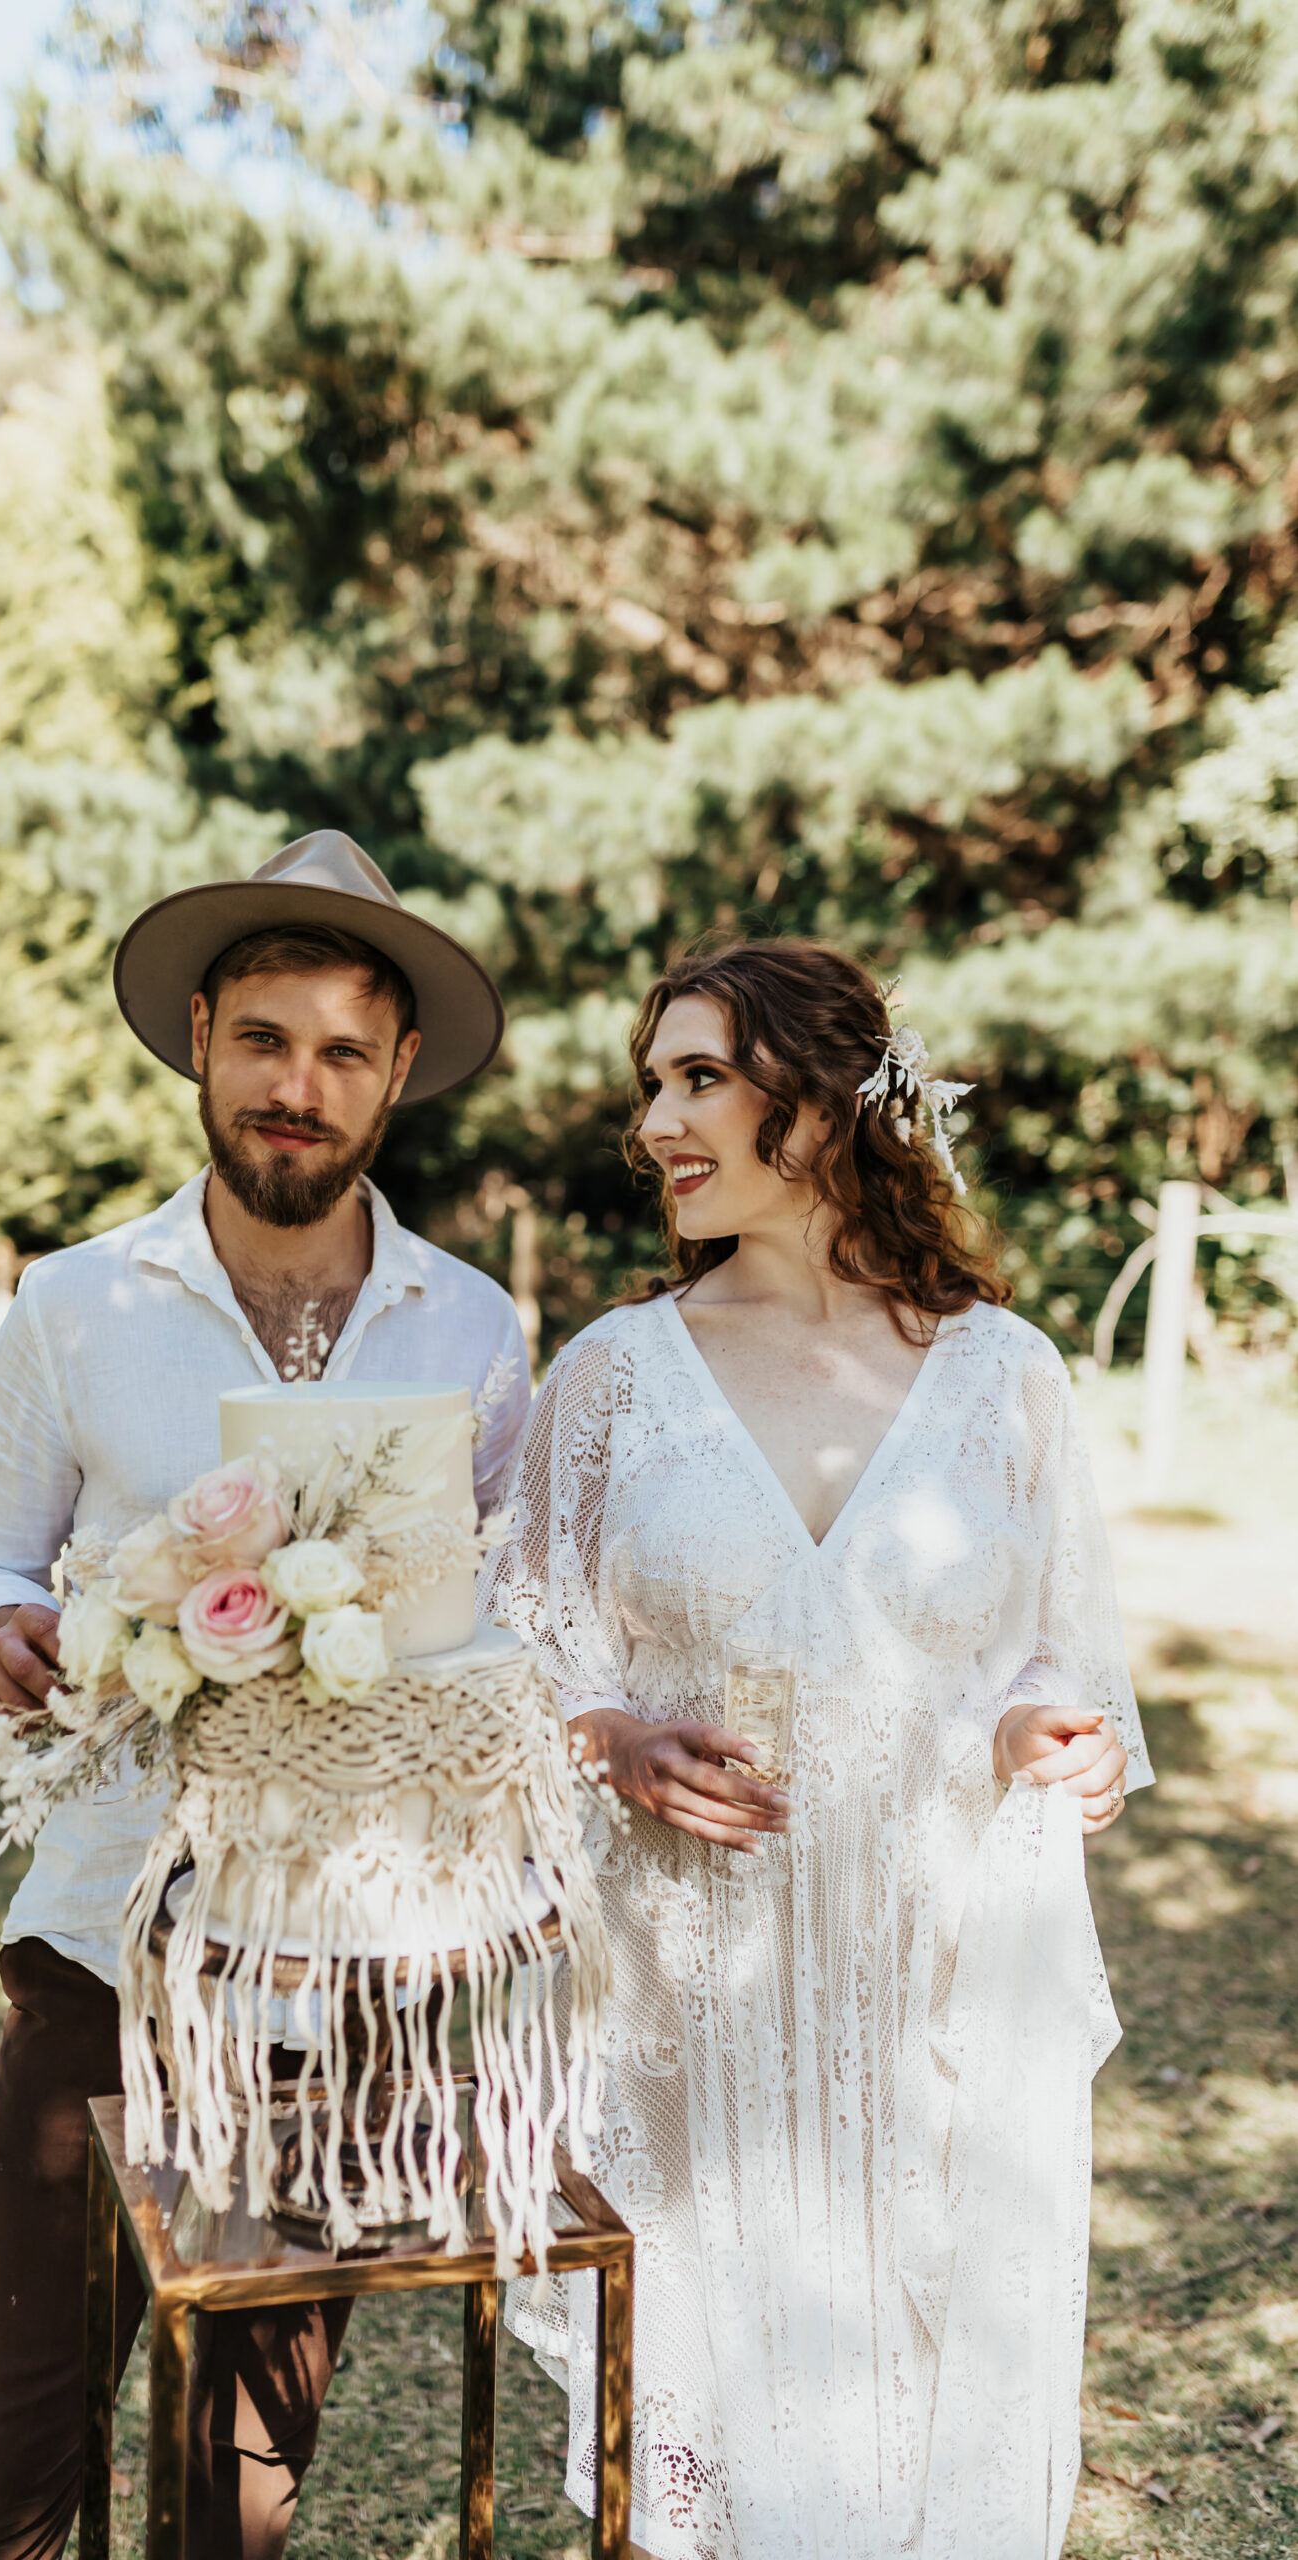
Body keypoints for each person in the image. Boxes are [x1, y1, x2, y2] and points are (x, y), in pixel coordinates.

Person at [0, 831, 531, 2560]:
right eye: (264, 1039)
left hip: (347, 1979)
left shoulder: (473, 1331)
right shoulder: (79, 1305)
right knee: (8, 2472)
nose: (297, 1089)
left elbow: (503, 1628)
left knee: (236, 2504)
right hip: (106, 1942)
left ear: (400, 1071)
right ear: (200, 1034)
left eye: (343, 1051)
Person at [489, 939, 1150, 2560]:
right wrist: (606, 1732)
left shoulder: (1007, 1382)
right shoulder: (611, 1380)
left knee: (927, 2424)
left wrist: (1056, 1739)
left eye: (701, 1076)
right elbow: (509, 1661)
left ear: (834, 1095)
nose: (655, 1121)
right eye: (655, 1083)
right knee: (698, 2448)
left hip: (930, 1996)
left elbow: (1074, 1665)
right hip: (694, 2009)